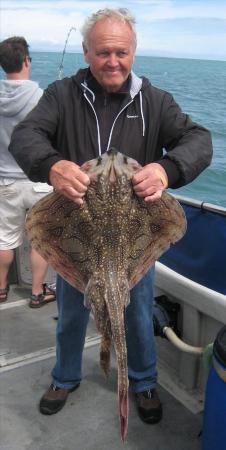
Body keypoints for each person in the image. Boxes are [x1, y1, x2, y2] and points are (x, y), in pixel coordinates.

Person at [9, 9, 212, 425]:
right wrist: (51, 165)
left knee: (137, 311)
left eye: (121, 52)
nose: (113, 61)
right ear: (87, 52)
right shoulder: (62, 95)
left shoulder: (154, 101)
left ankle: (142, 381)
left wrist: (166, 170)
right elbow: (26, 136)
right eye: (103, 52)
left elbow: (199, 140)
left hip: (132, 242)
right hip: (76, 235)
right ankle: (65, 376)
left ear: (133, 52)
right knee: (70, 313)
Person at [0, 36, 56, 308]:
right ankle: (37, 292)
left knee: (4, 239)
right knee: (39, 240)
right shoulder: (43, 98)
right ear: (26, 61)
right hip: (38, 183)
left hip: (4, 182)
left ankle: (0, 290)